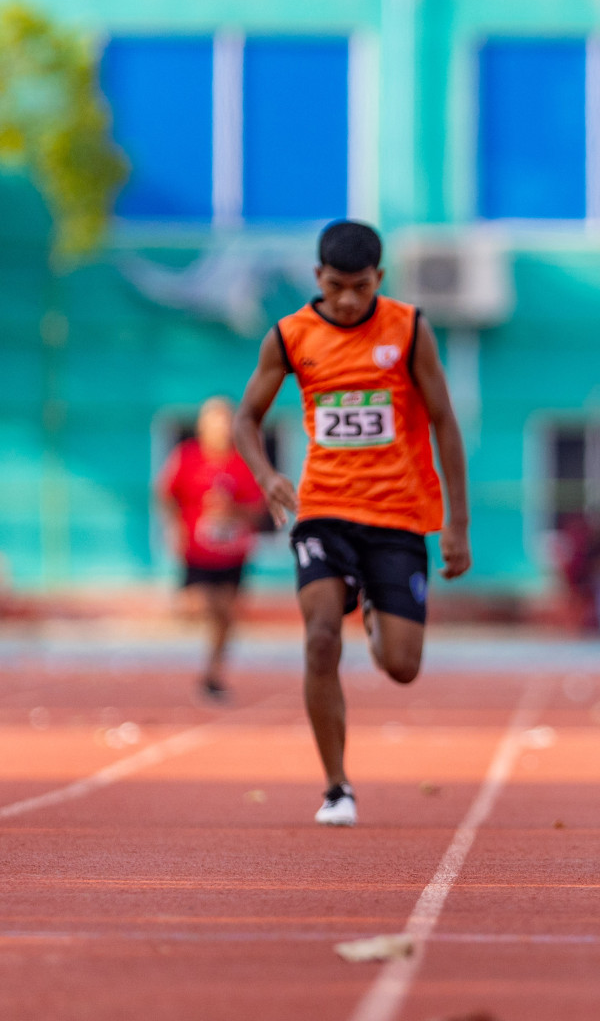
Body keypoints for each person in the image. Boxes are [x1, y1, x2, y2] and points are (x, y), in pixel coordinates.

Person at [233, 220, 471, 827]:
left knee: (402, 666)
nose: (346, 299)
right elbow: (245, 421)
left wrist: (457, 524)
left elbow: (444, 422)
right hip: (323, 512)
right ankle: (337, 786)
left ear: (379, 280)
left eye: (360, 287)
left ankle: (367, 603)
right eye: (336, 286)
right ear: (317, 277)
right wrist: (266, 477)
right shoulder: (289, 336)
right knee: (318, 639)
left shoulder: (409, 328)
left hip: (396, 515)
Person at [158, 396, 265, 702]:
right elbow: (165, 493)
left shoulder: (243, 461)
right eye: (215, 421)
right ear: (203, 426)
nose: (221, 428)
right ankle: (194, 647)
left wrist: (234, 513)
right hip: (196, 551)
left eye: (226, 421)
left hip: (233, 553)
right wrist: (173, 526)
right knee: (200, 606)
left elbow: (257, 509)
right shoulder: (187, 457)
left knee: (226, 615)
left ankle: (213, 673)